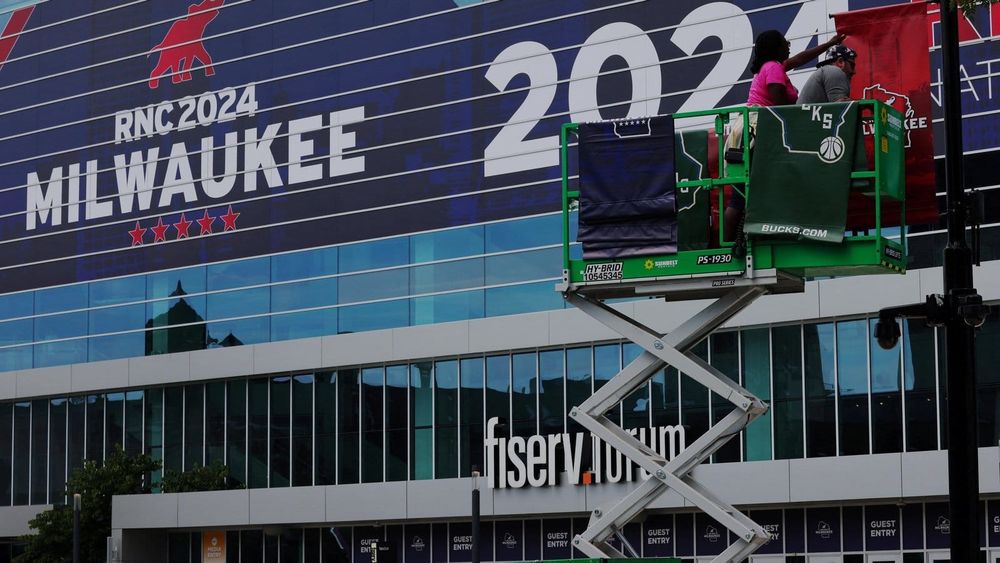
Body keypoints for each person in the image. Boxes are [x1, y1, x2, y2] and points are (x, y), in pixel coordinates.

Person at [724, 30, 847, 247]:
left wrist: (829, 44)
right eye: (784, 42)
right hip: (758, 132)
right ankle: (728, 245)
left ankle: (727, 244)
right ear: (776, 48)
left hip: (754, 130)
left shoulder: (773, 67)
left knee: (741, 194)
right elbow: (782, 108)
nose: (788, 44)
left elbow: (799, 59)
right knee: (741, 196)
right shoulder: (773, 68)